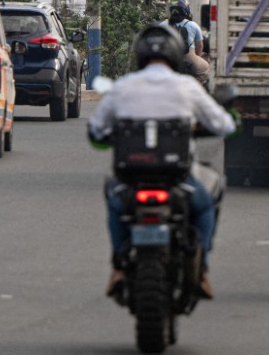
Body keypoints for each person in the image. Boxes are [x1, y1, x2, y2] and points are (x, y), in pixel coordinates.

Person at [88, 24, 237, 299]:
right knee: (206, 204)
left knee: (115, 201)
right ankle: (202, 269)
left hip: (131, 178)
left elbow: (96, 130)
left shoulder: (123, 86)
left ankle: (118, 268)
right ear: (176, 53)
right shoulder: (187, 86)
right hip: (178, 177)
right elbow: (224, 125)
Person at [169, 0, 210, 80]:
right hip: (188, 58)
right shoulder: (193, 25)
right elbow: (199, 46)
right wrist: (196, 57)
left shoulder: (163, 24)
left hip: (168, 58)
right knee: (206, 68)